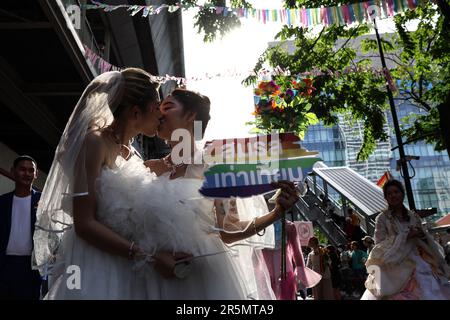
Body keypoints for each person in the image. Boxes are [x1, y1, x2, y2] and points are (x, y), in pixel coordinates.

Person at [142, 88, 300, 299]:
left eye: (167, 106)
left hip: (200, 280)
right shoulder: (147, 168)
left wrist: (276, 213)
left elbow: (229, 230)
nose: (160, 112)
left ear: (191, 116)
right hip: (151, 276)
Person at [33, 68, 164, 299]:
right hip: (94, 264)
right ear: (135, 112)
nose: (160, 115)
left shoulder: (132, 154)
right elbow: (84, 224)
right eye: (156, 108)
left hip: (130, 264)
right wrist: (143, 254)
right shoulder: (94, 142)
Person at [362, 179, 450, 300]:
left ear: (402, 194)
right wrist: (405, 236)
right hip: (395, 264)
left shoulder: (413, 216)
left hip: (420, 260)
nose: (393, 195)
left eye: (396, 192)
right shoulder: (382, 218)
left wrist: (422, 235)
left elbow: (425, 238)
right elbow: (379, 244)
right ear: (386, 197)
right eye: (389, 193)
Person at [0, 156, 42, 299]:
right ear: (13, 171)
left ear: (36, 174)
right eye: (22, 169)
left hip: (31, 268)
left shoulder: (44, 201)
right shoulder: (2, 202)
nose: (27, 174)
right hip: (4, 265)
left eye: (31, 170)